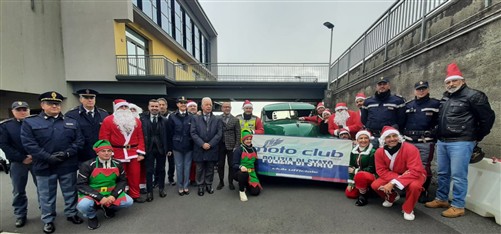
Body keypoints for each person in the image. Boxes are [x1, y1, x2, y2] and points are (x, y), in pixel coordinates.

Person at [425, 63, 495, 218]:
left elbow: (488, 118)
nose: (451, 84)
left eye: (454, 81)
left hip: (461, 141)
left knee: (458, 175)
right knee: (443, 172)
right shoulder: (446, 97)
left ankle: (458, 205)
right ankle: (442, 199)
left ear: (462, 80)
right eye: (448, 82)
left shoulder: (474, 96)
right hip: (443, 141)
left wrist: (476, 136)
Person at [21, 91, 85, 233]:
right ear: (42, 105)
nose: (55, 106)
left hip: (67, 164)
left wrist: (67, 153)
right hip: (44, 165)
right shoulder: (31, 122)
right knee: (46, 195)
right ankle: (48, 220)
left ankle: (71, 213)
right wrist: (47, 157)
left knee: (70, 192)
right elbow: (29, 144)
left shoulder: (70, 122)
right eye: (51, 103)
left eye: (57, 103)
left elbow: (79, 141)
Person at [371, 126, 426, 221]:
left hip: (415, 175)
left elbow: (415, 170)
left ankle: (408, 209)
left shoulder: (410, 148)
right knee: (376, 185)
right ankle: (392, 196)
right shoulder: (379, 152)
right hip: (395, 174)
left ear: (399, 137)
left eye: (394, 136)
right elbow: (381, 170)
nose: (392, 139)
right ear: (384, 139)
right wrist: (398, 179)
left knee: (415, 186)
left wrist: (393, 183)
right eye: (388, 137)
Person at [76, 140, 133, 230]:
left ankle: (108, 207)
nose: (107, 153)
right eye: (103, 151)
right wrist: (99, 197)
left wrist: (113, 196)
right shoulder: (87, 165)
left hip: (110, 193)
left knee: (128, 202)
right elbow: (81, 185)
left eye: (109, 151)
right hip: (93, 193)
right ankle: (92, 216)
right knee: (83, 205)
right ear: (97, 152)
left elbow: (122, 181)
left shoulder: (118, 164)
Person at [99, 99, 146, 203]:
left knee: (135, 175)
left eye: (126, 107)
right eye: (121, 107)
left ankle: (135, 194)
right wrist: (107, 153)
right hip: (117, 153)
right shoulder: (108, 120)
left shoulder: (136, 121)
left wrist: (141, 152)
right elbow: (104, 138)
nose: (124, 109)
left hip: (133, 152)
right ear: (116, 108)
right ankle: (120, 195)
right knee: (119, 176)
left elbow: (141, 137)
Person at [0, 101, 37, 228]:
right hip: (18, 163)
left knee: (43, 189)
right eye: (19, 110)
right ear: (13, 111)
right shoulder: (6, 126)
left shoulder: (36, 122)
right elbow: (4, 145)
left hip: (36, 160)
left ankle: (47, 214)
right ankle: (20, 215)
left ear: (29, 110)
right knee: (18, 191)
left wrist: (35, 155)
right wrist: (22, 158)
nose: (22, 112)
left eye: (24, 109)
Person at [403, 81, 440, 203]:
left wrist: (434, 133)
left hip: (425, 141)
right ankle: (408, 187)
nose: (421, 91)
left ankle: (423, 190)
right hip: (408, 141)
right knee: (407, 166)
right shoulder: (408, 105)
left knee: (424, 167)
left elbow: (440, 122)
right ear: (414, 91)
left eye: (424, 88)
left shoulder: (436, 104)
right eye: (419, 89)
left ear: (428, 90)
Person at [190, 97, 223, 196]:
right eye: (207, 104)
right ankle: (200, 186)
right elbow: (193, 133)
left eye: (210, 105)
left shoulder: (217, 119)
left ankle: (209, 184)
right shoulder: (195, 118)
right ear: (202, 106)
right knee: (199, 168)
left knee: (210, 168)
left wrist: (210, 144)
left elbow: (219, 134)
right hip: (199, 148)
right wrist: (202, 144)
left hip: (212, 148)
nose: (209, 106)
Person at [65, 89, 109, 163]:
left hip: (100, 155)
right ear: (80, 99)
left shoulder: (103, 114)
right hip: (81, 156)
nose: (89, 100)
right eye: (86, 98)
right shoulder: (72, 115)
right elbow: (68, 136)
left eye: (92, 98)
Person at [361, 77, 405, 146]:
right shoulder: (368, 101)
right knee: (373, 156)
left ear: (389, 86)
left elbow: (402, 119)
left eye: (384, 84)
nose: (382, 86)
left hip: (390, 137)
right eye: (380, 84)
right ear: (376, 87)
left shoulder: (398, 100)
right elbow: (364, 119)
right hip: (373, 136)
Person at [139, 99, 169, 201]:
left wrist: (168, 149)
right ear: (148, 107)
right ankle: (149, 192)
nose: (155, 108)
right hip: (148, 149)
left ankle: (161, 189)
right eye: (152, 106)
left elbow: (168, 136)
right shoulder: (142, 119)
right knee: (149, 171)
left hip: (161, 149)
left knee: (161, 170)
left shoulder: (164, 120)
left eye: (156, 106)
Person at [167, 96, 195, 196]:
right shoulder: (172, 116)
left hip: (189, 145)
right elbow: (169, 133)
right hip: (177, 145)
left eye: (184, 102)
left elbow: (193, 132)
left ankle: (186, 186)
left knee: (187, 166)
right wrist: (169, 147)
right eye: (181, 102)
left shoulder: (191, 116)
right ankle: (180, 186)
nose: (183, 104)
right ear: (177, 104)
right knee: (179, 166)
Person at [345, 130, 377, 206]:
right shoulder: (353, 151)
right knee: (350, 194)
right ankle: (365, 189)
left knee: (361, 175)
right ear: (357, 140)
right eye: (361, 138)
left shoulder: (373, 151)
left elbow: (372, 169)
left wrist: (355, 171)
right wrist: (351, 183)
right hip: (357, 176)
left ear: (369, 140)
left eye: (366, 138)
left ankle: (363, 196)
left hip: (370, 176)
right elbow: (351, 167)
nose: (363, 140)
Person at [217, 102, 241, 190]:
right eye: (225, 107)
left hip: (232, 146)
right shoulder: (217, 118)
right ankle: (221, 181)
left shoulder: (235, 120)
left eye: (229, 107)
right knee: (220, 165)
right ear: (222, 108)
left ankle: (230, 182)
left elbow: (238, 134)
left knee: (231, 165)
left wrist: (237, 146)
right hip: (220, 145)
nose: (227, 108)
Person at [232, 130, 262, 201]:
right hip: (240, 173)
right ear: (243, 140)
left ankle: (247, 184)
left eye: (250, 139)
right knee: (243, 174)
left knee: (255, 192)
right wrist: (240, 167)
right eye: (246, 139)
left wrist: (257, 176)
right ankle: (241, 191)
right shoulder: (239, 150)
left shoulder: (254, 149)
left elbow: (256, 164)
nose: (248, 141)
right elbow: (233, 164)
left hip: (252, 173)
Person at [158, 97, 176, 186]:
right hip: (159, 144)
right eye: (159, 105)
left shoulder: (171, 116)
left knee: (171, 163)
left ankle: (171, 178)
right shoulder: (154, 116)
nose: (161, 107)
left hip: (170, 143)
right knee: (159, 164)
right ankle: (157, 180)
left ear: (166, 106)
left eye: (163, 105)